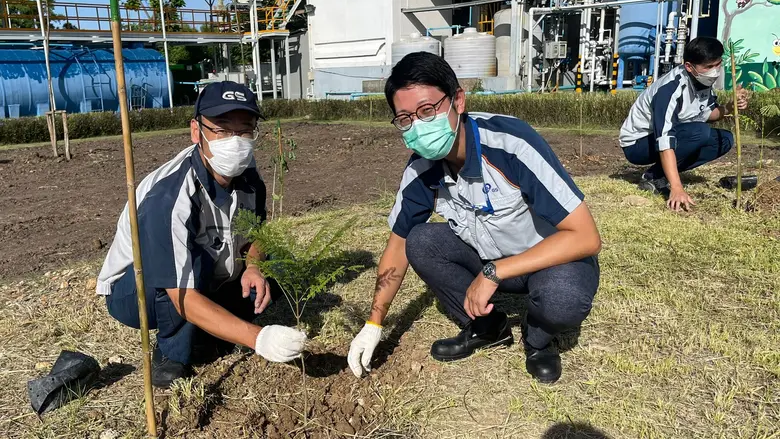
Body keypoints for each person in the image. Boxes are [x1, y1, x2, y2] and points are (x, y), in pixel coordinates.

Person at [347, 53, 602, 384]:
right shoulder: (421, 170)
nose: (419, 126)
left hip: (550, 261)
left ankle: (539, 340)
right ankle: (488, 327)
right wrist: (374, 323)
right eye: (406, 119)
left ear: (458, 100)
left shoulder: (511, 146)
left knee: (563, 299)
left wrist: (495, 272)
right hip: (491, 259)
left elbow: (585, 237)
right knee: (420, 241)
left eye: (427, 111)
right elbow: (397, 247)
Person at [96, 81, 306, 388]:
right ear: (197, 131)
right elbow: (181, 293)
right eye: (222, 129)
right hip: (134, 290)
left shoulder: (249, 176)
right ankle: (172, 354)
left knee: (274, 261)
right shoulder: (169, 196)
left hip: (207, 262)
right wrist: (258, 338)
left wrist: (253, 266)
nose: (235, 142)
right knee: (195, 264)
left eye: (245, 130)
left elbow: (256, 231)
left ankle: (213, 329)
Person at [620, 37, 749, 211]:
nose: (715, 71)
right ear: (689, 66)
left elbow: (708, 114)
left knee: (724, 139)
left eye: (718, 64)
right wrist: (677, 187)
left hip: (677, 133)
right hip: (639, 144)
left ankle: (654, 175)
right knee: (700, 132)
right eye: (709, 67)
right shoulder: (670, 89)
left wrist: (729, 107)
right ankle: (664, 178)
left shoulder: (703, 81)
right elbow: (664, 137)